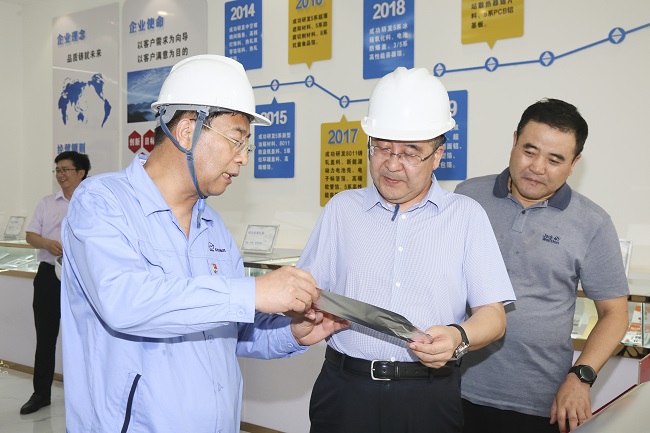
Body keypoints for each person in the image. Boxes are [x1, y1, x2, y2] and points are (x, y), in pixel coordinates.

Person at [59, 55, 347, 433]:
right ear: (187, 131)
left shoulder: (213, 228)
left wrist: (291, 333)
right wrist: (252, 293)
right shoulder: (102, 202)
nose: (243, 158)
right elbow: (124, 301)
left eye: (247, 144)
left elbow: (233, 330)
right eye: (236, 140)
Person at [297, 66, 516, 433]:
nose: (392, 164)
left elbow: (494, 317)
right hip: (345, 391)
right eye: (381, 147)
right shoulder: (342, 210)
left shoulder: (466, 217)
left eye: (411, 153)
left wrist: (458, 337)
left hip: (427, 397)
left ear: (438, 155)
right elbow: (307, 294)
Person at [455, 98, 630, 433]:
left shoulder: (592, 223)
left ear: (574, 163)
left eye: (554, 159)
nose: (537, 167)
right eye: (529, 151)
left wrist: (581, 377)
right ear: (514, 140)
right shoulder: (468, 197)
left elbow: (615, 313)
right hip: (455, 388)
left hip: (539, 403)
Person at [20, 150, 91, 415]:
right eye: (57, 170)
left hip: (83, 278)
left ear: (81, 173)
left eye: (65, 170)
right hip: (49, 276)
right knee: (46, 337)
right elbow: (30, 235)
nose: (60, 175)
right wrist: (46, 243)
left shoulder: (93, 202)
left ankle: (87, 394)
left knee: (85, 337)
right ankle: (41, 393)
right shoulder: (47, 203)